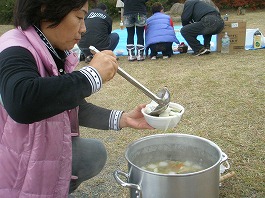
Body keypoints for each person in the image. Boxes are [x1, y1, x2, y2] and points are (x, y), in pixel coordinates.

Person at [0, 0, 153, 197]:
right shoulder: (14, 47)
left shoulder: (52, 50)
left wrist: (124, 118)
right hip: (13, 166)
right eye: (79, 17)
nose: (83, 29)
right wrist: (93, 75)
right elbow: (22, 101)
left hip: (42, 152)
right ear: (46, 9)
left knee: (93, 153)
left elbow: (69, 105)